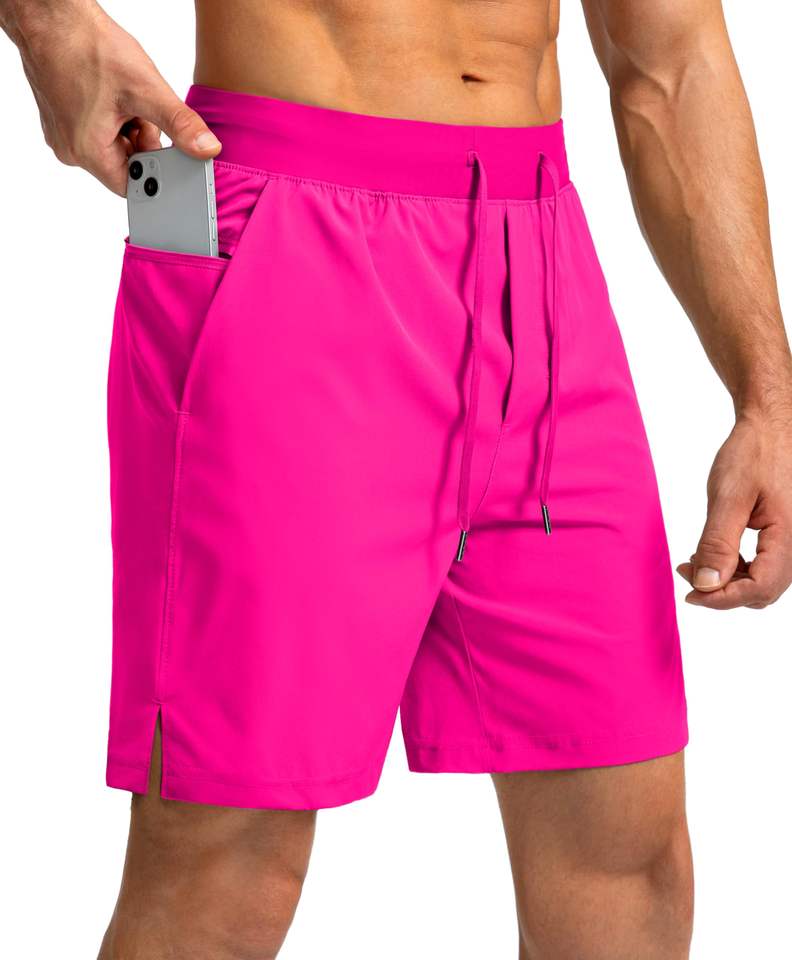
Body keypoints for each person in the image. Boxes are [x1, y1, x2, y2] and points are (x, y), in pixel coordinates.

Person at [2, 1, 790, 957]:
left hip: (542, 277)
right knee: (227, 857)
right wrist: (51, 24)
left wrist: (767, 397)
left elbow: (669, 54)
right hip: (289, 236)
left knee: (625, 849)